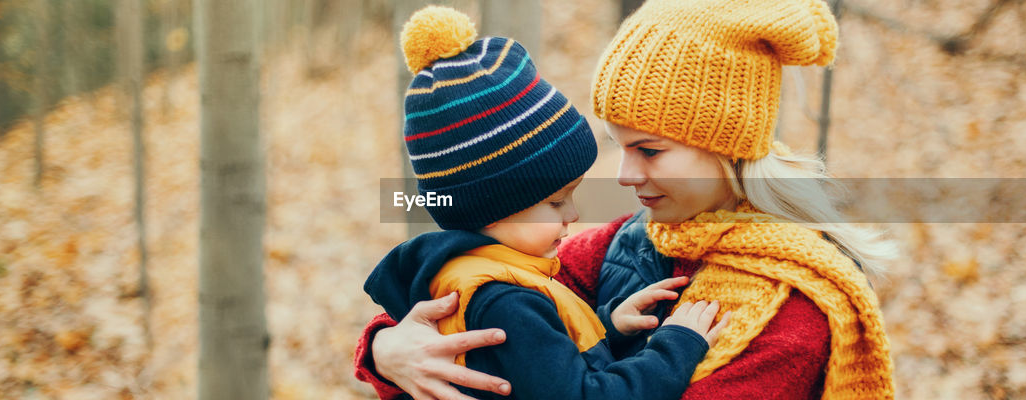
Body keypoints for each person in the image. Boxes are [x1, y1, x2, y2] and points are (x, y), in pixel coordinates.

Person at [355, 0, 899, 399]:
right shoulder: (622, 243)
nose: (624, 176)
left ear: (728, 145)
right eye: (618, 146)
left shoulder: (790, 315)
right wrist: (389, 351)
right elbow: (497, 312)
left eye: (649, 150)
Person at [362, 6, 728, 400]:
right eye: (556, 203)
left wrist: (608, 326)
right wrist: (677, 345)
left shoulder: (471, 272)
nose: (574, 214)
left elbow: (538, 364)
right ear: (492, 206)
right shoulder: (506, 299)